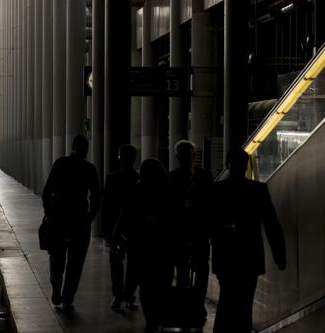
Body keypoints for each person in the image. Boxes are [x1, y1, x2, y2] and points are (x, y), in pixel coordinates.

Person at [211, 148, 286, 333]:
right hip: (250, 256)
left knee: (227, 298)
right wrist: (279, 255)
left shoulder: (217, 191)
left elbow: (208, 222)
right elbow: (271, 224)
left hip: (226, 255)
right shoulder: (258, 190)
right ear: (247, 166)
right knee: (245, 302)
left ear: (227, 165)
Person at [42, 135, 101, 312]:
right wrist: (90, 215)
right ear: (78, 148)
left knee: (57, 256)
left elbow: (47, 191)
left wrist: (49, 212)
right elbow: (96, 194)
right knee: (76, 261)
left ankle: (57, 288)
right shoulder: (89, 168)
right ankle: (68, 297)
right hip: (79, 219)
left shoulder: (60, 164)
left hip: (60, 217)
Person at [123, 158, 174, 333]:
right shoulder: (168, 190)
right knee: (163, 283)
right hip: (163, 247)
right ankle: (159, 316)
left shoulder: (137, 189)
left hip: (141, 246)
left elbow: (127, 216)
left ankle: (151, 319)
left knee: (146, 285)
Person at [168, 140, 213, 325]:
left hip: (196, 231)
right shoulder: (174, 177)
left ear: (193, 155)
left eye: (187, 154)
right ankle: (190, 303)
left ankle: (196, 302)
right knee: (186, 270)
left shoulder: (201, 176)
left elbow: (210, 204)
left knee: (200, 270)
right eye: (182, 154)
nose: (185, 157)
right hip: (183, 233)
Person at [101, 144, 139, 311]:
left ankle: (118, 295)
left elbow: (106, 205)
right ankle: (129, 296)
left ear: (119, 157)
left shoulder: (112, 177)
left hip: (118, 228)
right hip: (135, 227)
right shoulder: (138, 178)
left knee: (116, 262)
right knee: (133, 263)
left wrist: (106, 230)